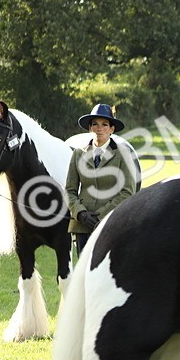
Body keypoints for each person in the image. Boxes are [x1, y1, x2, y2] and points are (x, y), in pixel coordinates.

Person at [64, 103, 140, 258]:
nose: (99, 129)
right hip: (82, 226)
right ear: (90, 128)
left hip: (110, 224)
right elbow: (70, 190)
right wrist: (81, 214)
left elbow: (127, 191)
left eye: (104, 125)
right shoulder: (78, 154)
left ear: (112, 129)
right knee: (84, 275)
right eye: (95, 125)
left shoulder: (122, 154)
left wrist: (100, 215)